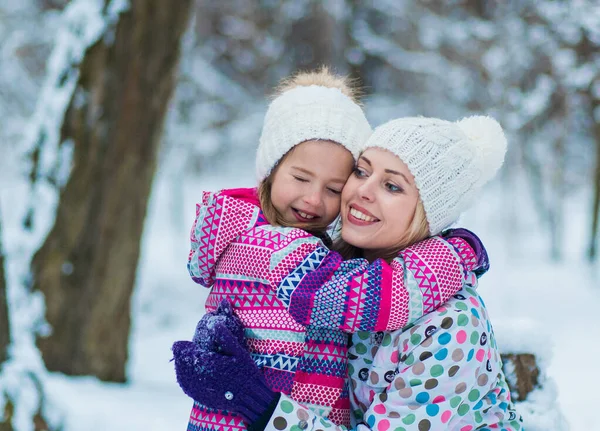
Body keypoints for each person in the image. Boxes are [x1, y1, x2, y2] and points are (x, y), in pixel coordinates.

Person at [172, 69, 484, 431]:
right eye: (301, 178)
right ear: (269, 172)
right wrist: (457, 254)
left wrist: (261, 406)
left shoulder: (451, 322)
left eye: (335, 188)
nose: (313, 198)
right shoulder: (278, 246)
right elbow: (386, 295)